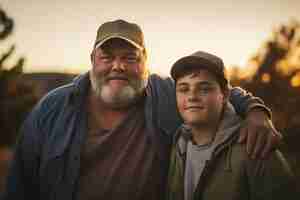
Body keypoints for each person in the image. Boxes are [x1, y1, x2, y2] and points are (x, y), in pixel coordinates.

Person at [3, 20, 281, 200]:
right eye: (107, 57)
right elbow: (20, 185)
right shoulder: (53, 108)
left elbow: (217, 90)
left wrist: (256, 111)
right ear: (92, 60)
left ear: (146, 62)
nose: (118, 66)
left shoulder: (166, 94)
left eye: (129, 57)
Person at [166, 51, 297, 200]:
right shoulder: (178, 145)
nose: (192, 96)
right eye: (183, 89)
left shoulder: (256, 146)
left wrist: (257, 110)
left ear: (225, 95)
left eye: (204, 89)